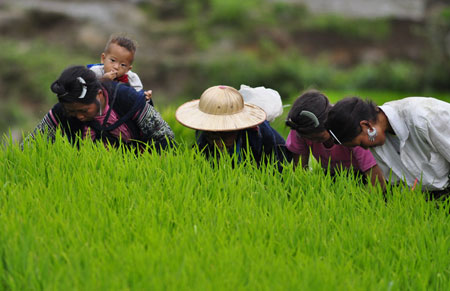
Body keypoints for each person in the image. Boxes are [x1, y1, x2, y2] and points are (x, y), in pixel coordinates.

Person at [24, 65, 174, 151]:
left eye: (83, 110)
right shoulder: (61, 112)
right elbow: (31, 145)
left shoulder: (127, 98)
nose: (79, 116)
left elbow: (165, 136)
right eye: (72, 112)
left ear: (99, 94)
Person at [325, 96, 450, 198]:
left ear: (367, 126)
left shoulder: (424, 117)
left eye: (361, 143)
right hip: (431, 196)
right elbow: (398, 185)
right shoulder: (377, 144)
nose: (364, 149)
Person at [175, 85, 290, 170]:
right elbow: (201, 167)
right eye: (213, 137)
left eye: (225, 138)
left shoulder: (260, 135)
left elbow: (272, 172)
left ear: (237, 129)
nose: (219, 144)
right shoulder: (203, 135)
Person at [285, 90, 385, 188]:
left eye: (319, 138)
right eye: (309, 138)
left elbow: (377, 181)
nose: (314, 142)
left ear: (330, 125)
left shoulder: (349, 129)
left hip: (365, 174)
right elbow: (299, 173)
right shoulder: (300, 129)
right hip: (333, 174)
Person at [87, 34, 153, 103]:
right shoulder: (95, 72)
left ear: (128, 69)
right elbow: (87, 90)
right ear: (103, 59)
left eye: (123, 65)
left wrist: (145, 97)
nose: (116, 67)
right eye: (112, 60)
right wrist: (104, 80)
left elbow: (137, 96)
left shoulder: (131, 78)